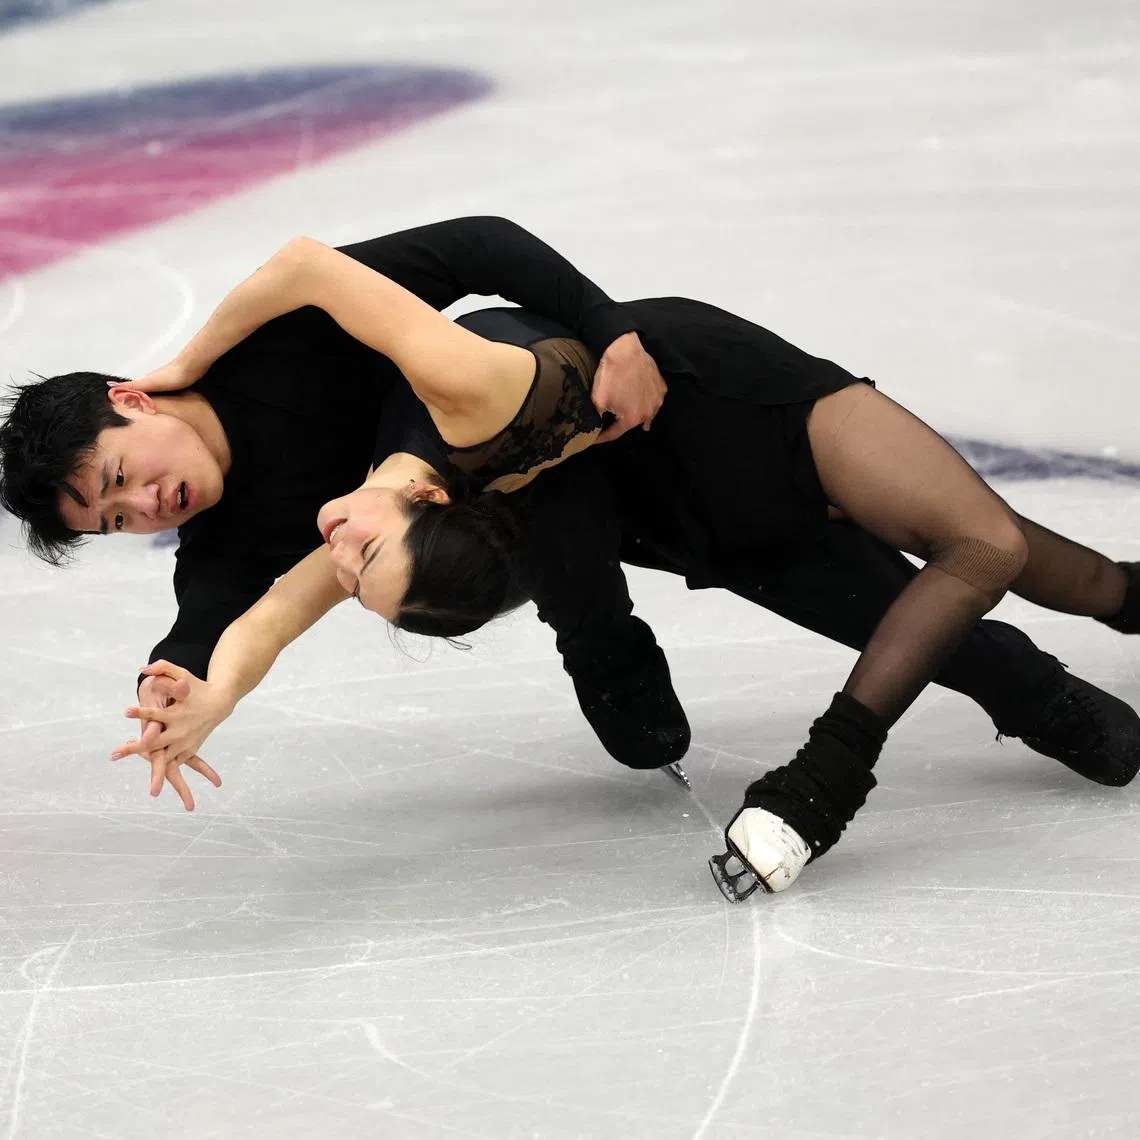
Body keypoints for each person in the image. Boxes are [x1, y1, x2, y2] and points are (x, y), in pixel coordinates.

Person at [88, 235, 1140, 903]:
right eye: (357, 573)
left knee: (986, 545)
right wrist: (205, 692)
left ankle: (826, 772)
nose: (332, 550)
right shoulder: (390, 506)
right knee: (998, 596)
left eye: (351, 559)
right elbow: (269, 609)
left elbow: (317, 264)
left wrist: (186, 359)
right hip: (688, 512)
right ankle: (1113, 615)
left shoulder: (460, 389)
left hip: (736, 409)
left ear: (436, 497)